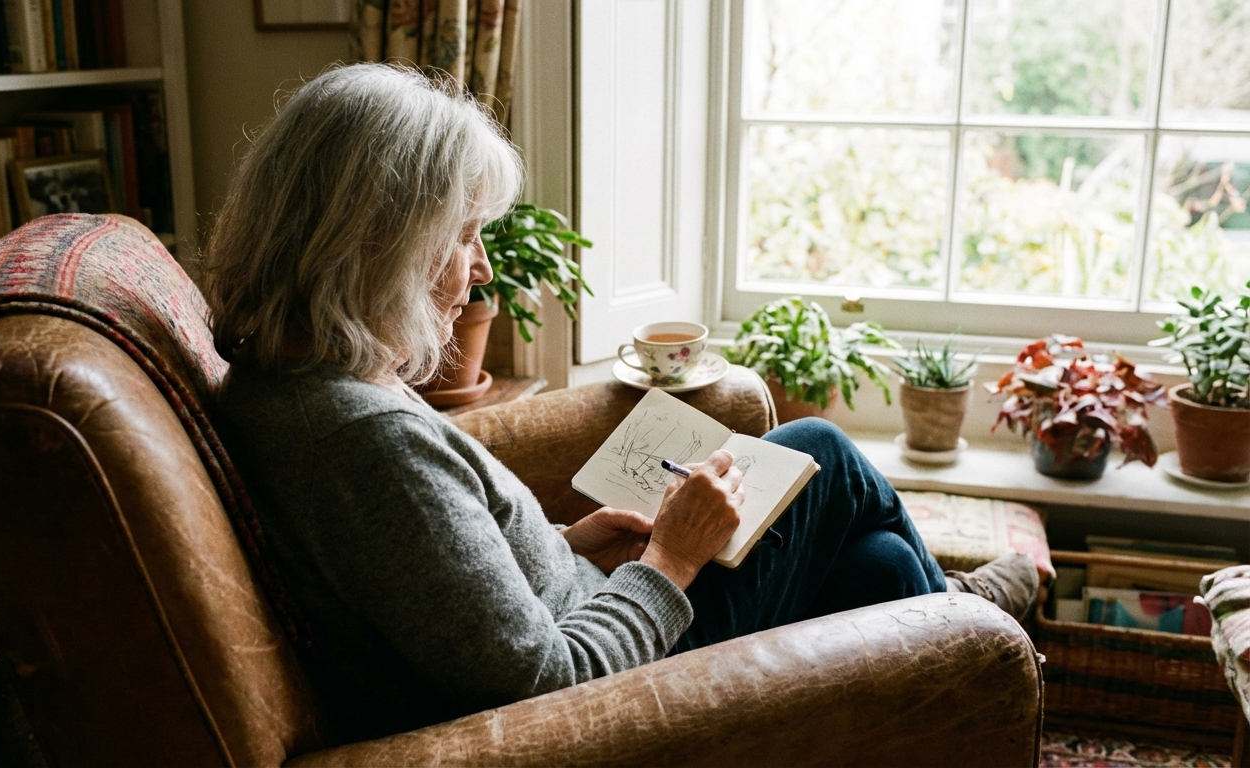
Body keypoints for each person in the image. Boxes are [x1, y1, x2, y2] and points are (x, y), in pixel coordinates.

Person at [201, 63, 1039, 746]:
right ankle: (971, 617)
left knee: (880, 572)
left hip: (595, 607)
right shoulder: (360, 444)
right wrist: (671, 557)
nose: (482, 268)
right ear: (378, 241)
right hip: (616, 692)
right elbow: (548, 685)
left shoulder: (292, 384)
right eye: (462, 236)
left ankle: (957, 618)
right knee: (824, 450)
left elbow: (432, 593)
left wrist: (569, 545)